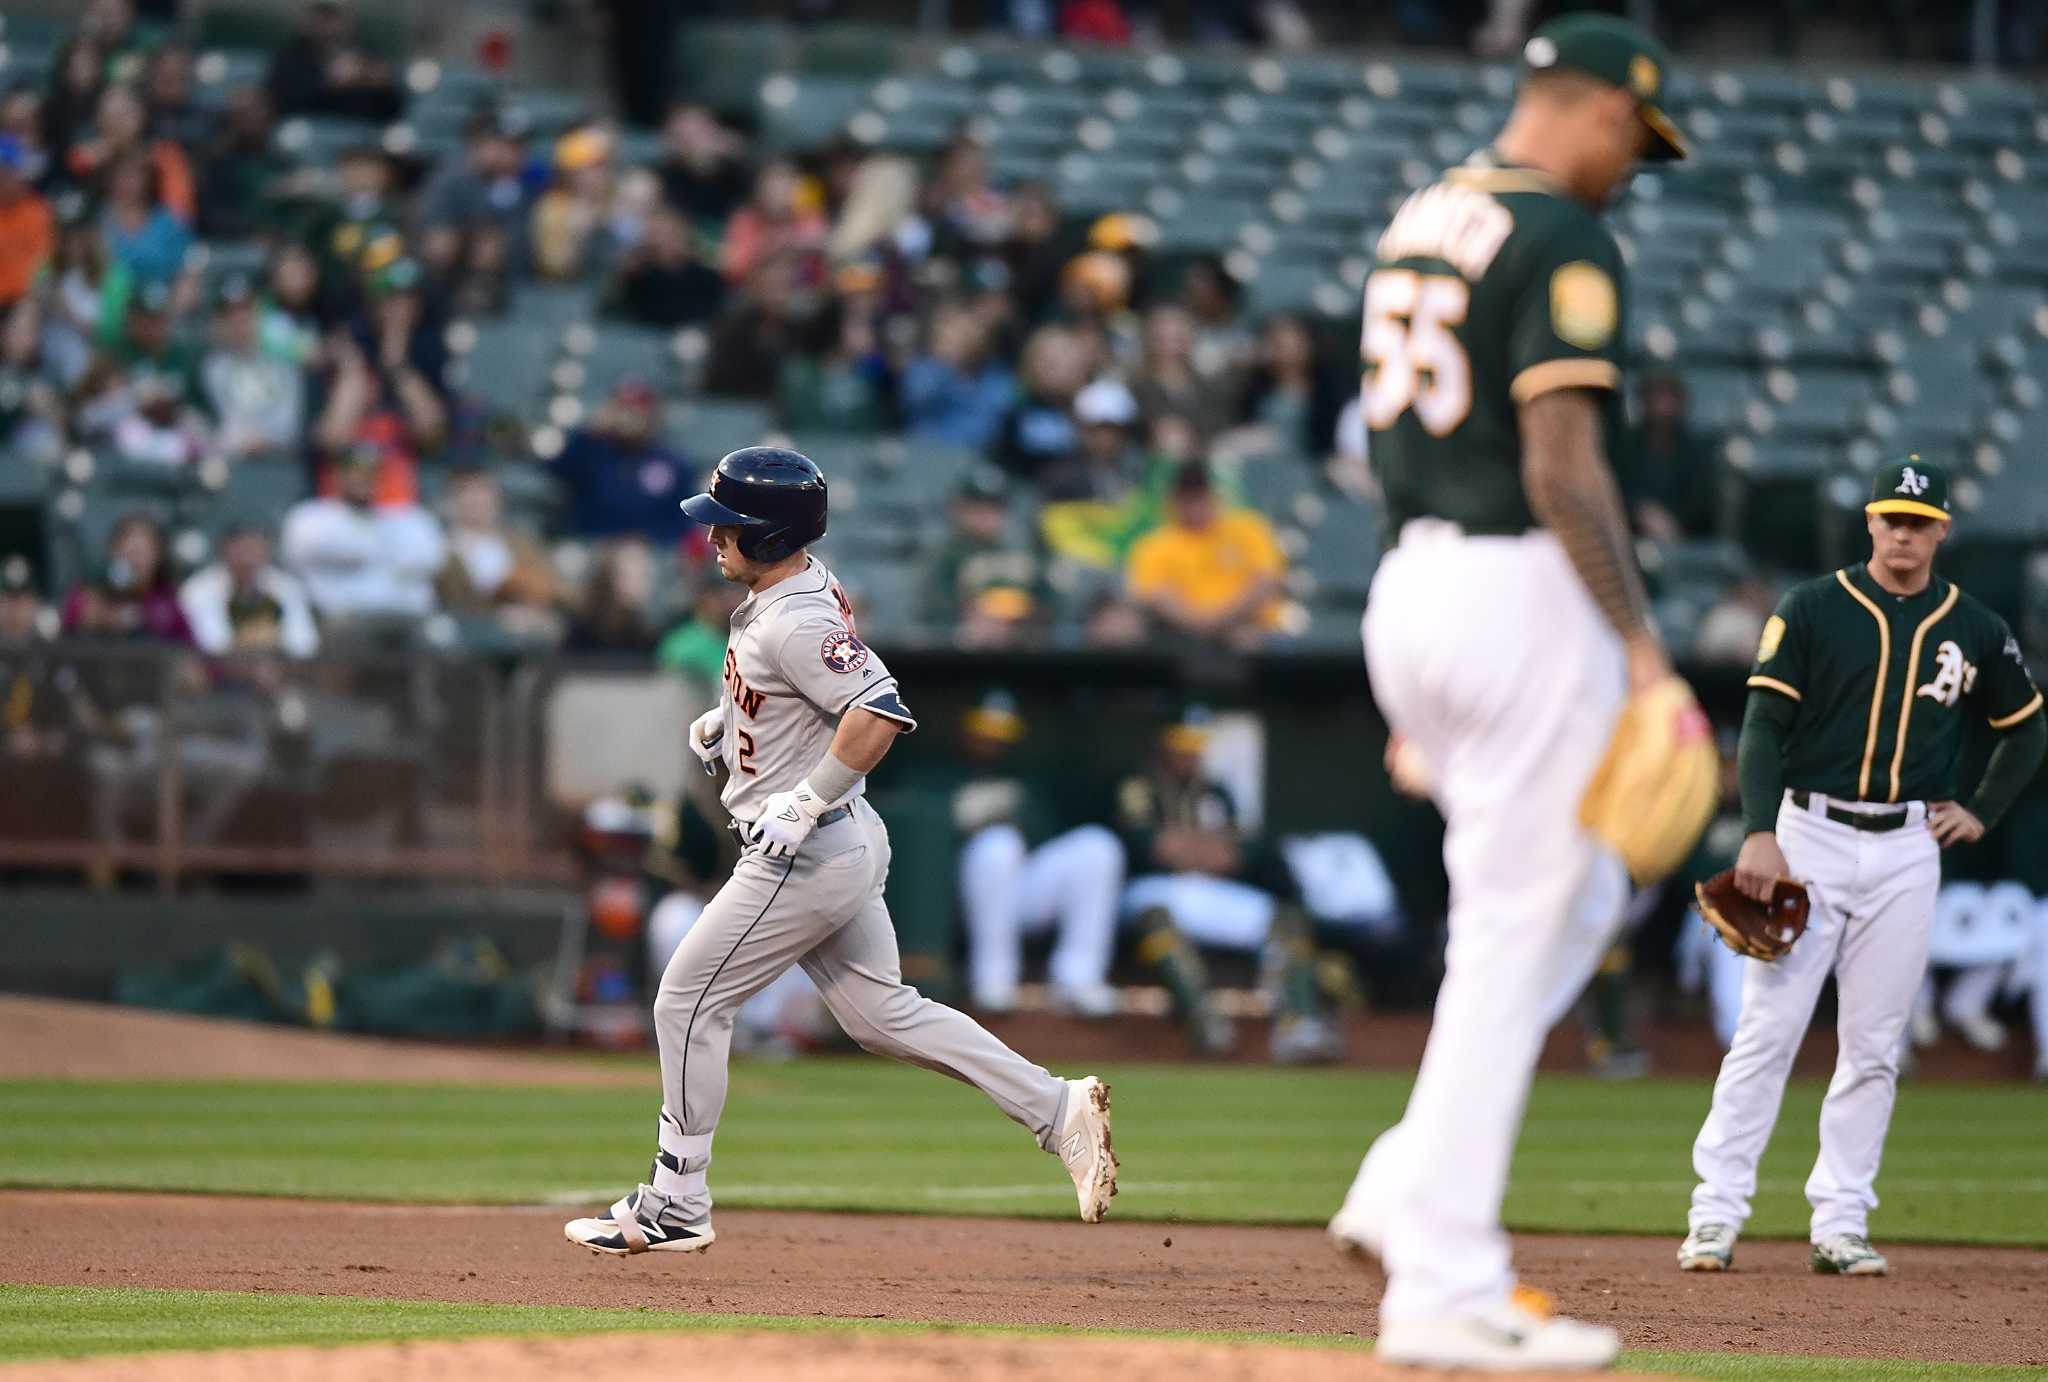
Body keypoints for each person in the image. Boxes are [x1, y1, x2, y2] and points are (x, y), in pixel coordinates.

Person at [1328, 17, 1694, 1371]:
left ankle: (1406, 1179)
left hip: (1413, 582)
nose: (1631, 167)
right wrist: (1643, 645)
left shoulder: (1429, 210)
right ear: (1591, 105)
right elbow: (1560, 459)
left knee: (1594, 888)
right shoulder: (1561, 236)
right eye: (1630, 138)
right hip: (1518, 584)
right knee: (1515, 925)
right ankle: (1445, 1284)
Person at [563, 446, 1117, 1256]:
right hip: (836, 843)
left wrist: (806, 794)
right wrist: (738, 724)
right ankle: (1054, 1108)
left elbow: (879, 713)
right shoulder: (791, 589)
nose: (712, 539)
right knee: (883, 1017)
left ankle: (677, 1201)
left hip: (807, 852)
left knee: (686, 1002)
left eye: (727, 526)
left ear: (768, 531)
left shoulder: (796, 616)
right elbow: (799, 689)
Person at [1678, 456, 2045, 1277]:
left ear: (1942, 530)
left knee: (1874, 1044)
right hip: (1809, 832)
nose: (1904, 533)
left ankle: (1840, 1222)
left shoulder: (1976, 627)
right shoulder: (1813, 608)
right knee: (1767, 1032)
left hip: (1907, 846)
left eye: (1918, 522)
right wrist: (1760, 832)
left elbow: (2026, 728)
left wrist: (1980, 807)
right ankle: (1715, 1215)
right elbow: (1764, 725)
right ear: (1871, 524)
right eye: (1892, 519)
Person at [1116, 711, 1339, 1063]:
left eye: (1195, 747)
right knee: (1156, 916)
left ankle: (1300, 1024)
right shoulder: (1138, 785)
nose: (1190, 755)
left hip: (1208, 892)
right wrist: (1200, 847)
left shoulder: (1215, 791)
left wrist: (1185, 847)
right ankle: (1205, 1023)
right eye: (1181, 746)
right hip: (1153, 888)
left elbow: (1235, 854)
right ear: (1164, 744)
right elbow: (1152, 848)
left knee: (1286, 917)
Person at [944, 692, 1124, 1016]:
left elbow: (1042, 835)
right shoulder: (938, 776)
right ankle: (993, 979)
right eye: (983, 732)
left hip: (1018, 892)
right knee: (996, 845)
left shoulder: (1025, 782)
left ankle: (1078, 977)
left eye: (999, 735)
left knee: (1098, 845)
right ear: (966, 731)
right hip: (958, 896)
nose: (991, 742)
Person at [1126, 464, 1287, 648]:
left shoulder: (1249, 528)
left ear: (1214, 496)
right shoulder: (1154, 545)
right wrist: (1208, 626)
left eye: (1200, 496)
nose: (1195, 505)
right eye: (1187, 498)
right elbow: (1157, 596)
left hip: (1252, 627)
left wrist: (1222, 620)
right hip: (1183, 636)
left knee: (1248, 641)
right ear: (1172, 501)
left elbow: (1267, 581)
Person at [281, 446, 446, 625]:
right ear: (338, 475)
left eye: (371, 473)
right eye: (354, 472)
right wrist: (381, 552)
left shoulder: (407, 518)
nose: (363, 480)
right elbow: (310, 548)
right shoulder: (313, 515)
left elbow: (434, 558)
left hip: (404, 622)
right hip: (339, 623)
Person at [547, 377, 696, 543]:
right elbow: (557, 470)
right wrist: (589, 432)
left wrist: (646, 543)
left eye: (636, 412)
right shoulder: (591, 450)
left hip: (648, 553)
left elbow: (680, 523)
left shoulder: (672, 464)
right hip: (590, 543)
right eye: (623, 410)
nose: (629, 419)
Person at [914, 467, 1043, 643]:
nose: (985, 515)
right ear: (958, 509)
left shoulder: (1024, 550)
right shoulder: (943, 554)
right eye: (976, 506)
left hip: (1021, 639)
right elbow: (933, 610)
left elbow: (1044, 600)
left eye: (994, 507)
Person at [434, 466, 560, 643]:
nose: (477, 500)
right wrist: (496, 617)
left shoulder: (520, 544)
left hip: (526, 629)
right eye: (467, 492)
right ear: (451, 501)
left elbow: (550, 590)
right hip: (467, 636)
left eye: (484, 491)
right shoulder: (439, 549)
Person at [177, 525, 320, 659]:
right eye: (241, 549)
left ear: (267, 551)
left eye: (254, 549)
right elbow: (213, 647)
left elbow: (304, 645)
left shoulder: (286, 587)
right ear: (224, 551)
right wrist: (255, 644)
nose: (247, 559)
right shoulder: (198, 590)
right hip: (221, 677)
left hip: (280, 670)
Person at [201, 276, 305, 459]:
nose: (239, 320)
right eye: (230, 313)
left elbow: (289, 424)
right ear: (220, 321)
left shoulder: (283, 360)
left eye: (246, 310)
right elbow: (227, 422)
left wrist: (263, 439)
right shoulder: (213, 368)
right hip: (236, 459)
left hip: (283, 460)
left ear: (259, 313)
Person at [1619, 370, 1717, 543]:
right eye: (1658, 397)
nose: (1665, 407)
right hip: (1630, 537)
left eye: (1670, 397)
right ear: (1644, 400)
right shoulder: (1625, 447)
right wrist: (1641, 511)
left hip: (1685, 542)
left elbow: (1703, 506)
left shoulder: (1696, 452)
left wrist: (1671, 524)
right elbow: (1616, 490)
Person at [266, 0, 402, 123]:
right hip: (307, 129)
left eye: (331, 15)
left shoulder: (367, 54)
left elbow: (393, 108)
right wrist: (327, 81)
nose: (324, 23)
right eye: (319, 14)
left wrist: (380, 84)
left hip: (360, 133)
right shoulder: (291, 55)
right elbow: (278, 100)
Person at [0, 136, 53, 312]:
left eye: (9, 173)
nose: (5, 180)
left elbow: (44, 262)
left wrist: (30, 304)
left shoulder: (37, 212)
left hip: (25, 304)